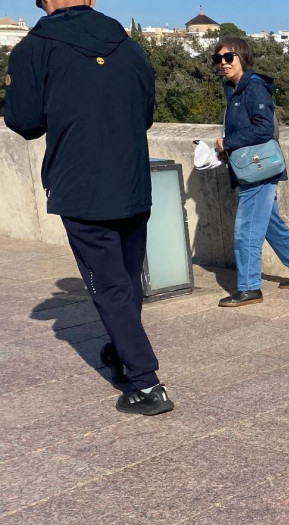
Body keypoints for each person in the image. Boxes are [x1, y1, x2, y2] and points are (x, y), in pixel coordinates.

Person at [4, 0, 172, 414]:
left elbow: (24, 122)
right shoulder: (130, 47)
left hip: (80, 186)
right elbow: (146, 113)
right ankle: (121, 352)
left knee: (110, 284)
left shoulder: (33, 48)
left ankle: (147, 384)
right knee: (127, 279)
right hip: (132, 180)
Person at [211, 36, 289, 307]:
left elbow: (263, 129)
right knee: (269, 222)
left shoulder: (254, 88)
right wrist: (227, 149)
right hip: (251, 168)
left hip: (259, 171)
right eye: (218, 59)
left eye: (228, 57)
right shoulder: (235, 90)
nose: (223, 63)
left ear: (242, 57)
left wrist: (229, 143)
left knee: (246, 230)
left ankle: (249, 288)